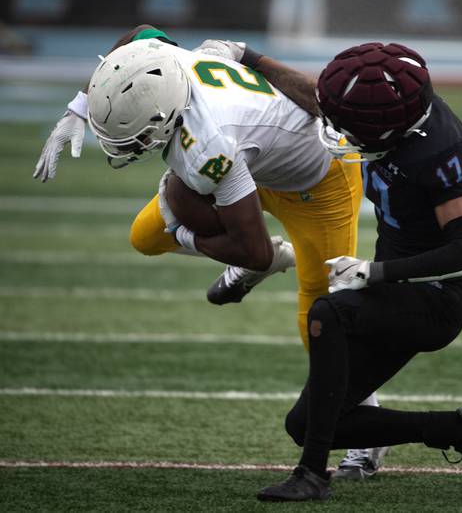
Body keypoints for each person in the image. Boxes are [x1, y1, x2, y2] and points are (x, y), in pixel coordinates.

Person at [32, 26, 388, 479]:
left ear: (162, 116)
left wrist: (194, 239)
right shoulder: (166, 64)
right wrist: (80, 105)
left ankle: (368, 433)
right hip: (253, 157)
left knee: (321, 316)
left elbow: (253, 249)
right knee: (145, 236)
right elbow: (140, 35)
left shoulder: (206, 143)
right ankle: (277, 256)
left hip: (317, 182)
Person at [254, 42, 462, 502]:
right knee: (306, 424)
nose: (338, 128)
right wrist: (250, 58)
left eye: (350, 123)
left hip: (432, 300)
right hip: (395, 292)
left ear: (384, 126)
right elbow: (319, 98)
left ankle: (312, 475)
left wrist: (375, 272)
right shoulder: (396, 116)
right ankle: (459, 428)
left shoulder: (437, 154)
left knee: (327, 313)